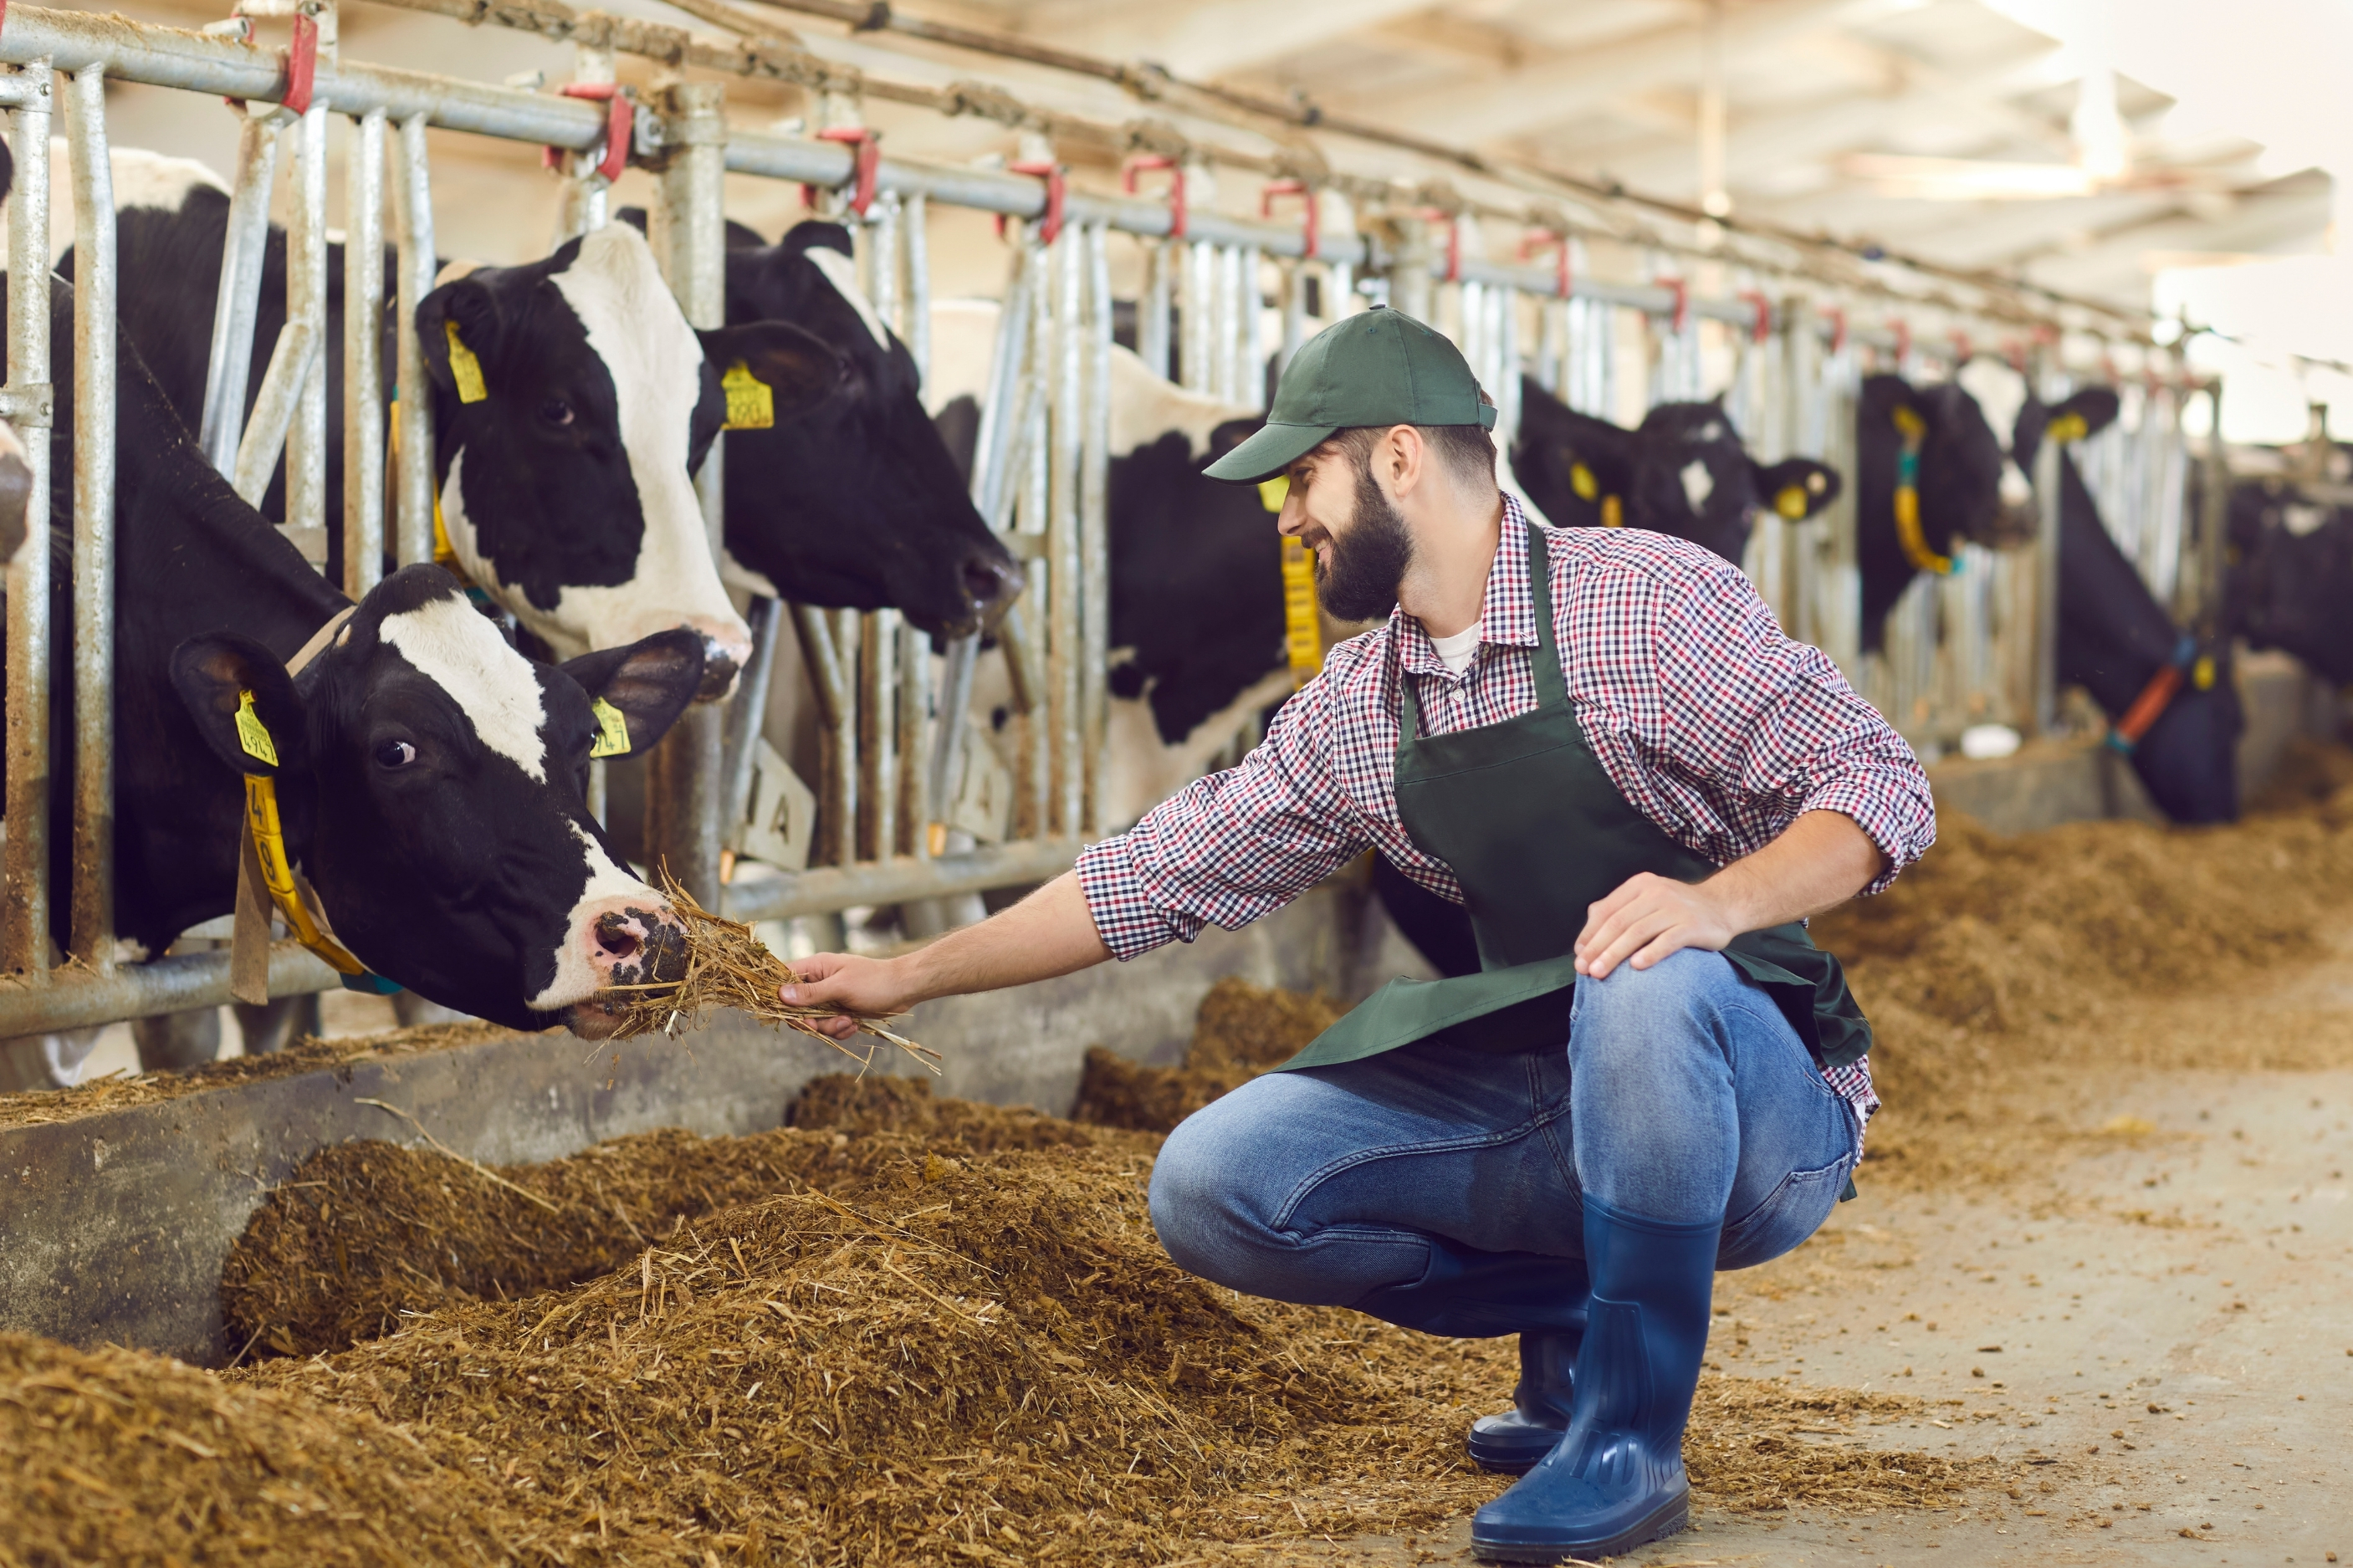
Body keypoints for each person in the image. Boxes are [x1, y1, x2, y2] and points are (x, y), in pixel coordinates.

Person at [780, 306, 1935, 1562]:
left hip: (1757, 1115)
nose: (1284, 517)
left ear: (1395, 459)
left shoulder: (1644, 605)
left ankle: (1624, 1437)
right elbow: (1152, 876)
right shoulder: (1357, 704)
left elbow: (1877, 786)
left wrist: (1712, 906)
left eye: (1301, 476)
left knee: (1645, 981)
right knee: (1213, 1188)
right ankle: (1570, 1298)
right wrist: (909, 973)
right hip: (1552, 1093)